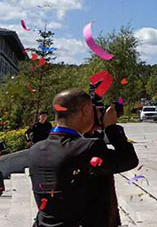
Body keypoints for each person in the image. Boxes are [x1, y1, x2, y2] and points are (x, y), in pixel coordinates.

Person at [28, 88, 138, 227]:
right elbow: (129, 159)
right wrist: (111, 127)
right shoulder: (89, 148)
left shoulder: (35, 150)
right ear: (86, 110)